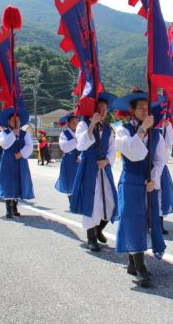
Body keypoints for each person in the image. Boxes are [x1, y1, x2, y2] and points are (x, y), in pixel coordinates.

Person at [113, 90, 167, 288]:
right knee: (133, 221)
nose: (145, 111)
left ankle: (132, 261)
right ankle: (140, 266)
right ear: (131, 110)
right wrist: (143, 129)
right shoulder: (122, 130)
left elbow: (161, 159)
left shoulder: (157, 133)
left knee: (147, 221)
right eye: (141, 108)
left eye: (147, 107)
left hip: (148, 183)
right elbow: (133, 153)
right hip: (130, 181)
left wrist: (154, 178)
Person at [69, 93, 118, 252]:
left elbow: (112, 148)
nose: (103, 112)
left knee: (110, 201)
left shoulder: (109, 128)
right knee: (91, 202)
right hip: (89, 167)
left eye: (105, 109)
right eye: (100, 109)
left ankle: (99, 229)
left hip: (104, 167)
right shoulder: (83, 125)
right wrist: (92, 125)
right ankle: (91, 238)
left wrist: (107, 160)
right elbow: (81, 145)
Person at [0, 108, 34, 218]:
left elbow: (29, 146)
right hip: (7, 161)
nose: (16, 122)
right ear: (9, 122)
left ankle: (15, 206)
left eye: (18, 120)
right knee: (8, 183)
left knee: (18, 181)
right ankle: (8, 208)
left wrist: (21, 153)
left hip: (20, 161)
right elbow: (4, 144)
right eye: (14, 120)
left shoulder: (24, 134)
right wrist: (13, 134)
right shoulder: (4, 133)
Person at [55, 114, 80, 203]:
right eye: (73, 121)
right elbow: (64, 147)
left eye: (77, 121)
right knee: (70, 181)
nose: (75, 123)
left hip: (80, 160)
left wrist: (80, 156)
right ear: (68, 123)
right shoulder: (64, 134)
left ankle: (78, 203)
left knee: (80, 181)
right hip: (69, 161)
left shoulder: (81, 133)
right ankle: (72, 202)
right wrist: (76, 140)